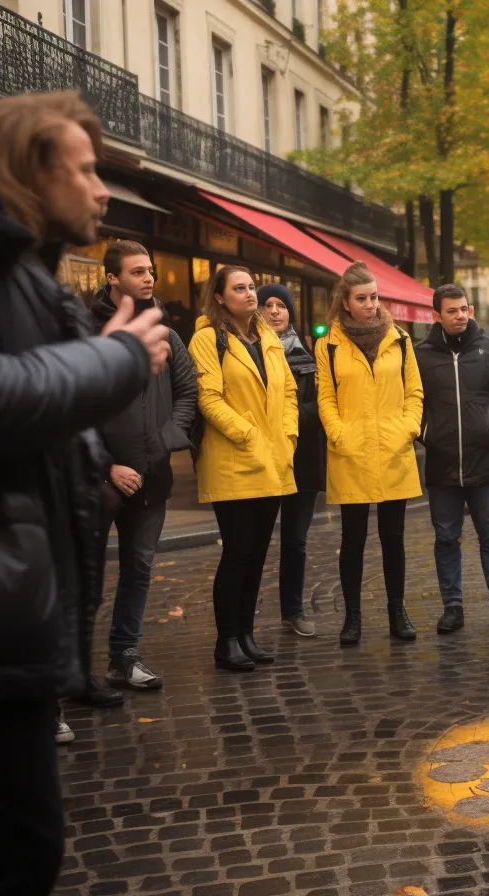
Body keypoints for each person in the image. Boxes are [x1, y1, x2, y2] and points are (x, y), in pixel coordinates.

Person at [0, 92, 169, 894]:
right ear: (31, 168)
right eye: (84, 170)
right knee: (1, 855)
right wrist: (116, 360)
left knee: (15, 852)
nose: (102, 190)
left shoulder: (9, 259)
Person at [90, 240, 198, 692]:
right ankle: (73, 672)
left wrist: (164, 441)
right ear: (112, 278)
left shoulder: (168, 336)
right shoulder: (88, 332)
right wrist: (106, 465)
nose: (149, 278)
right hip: (97, 480)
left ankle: (124, 657)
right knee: (86, 579)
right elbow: (74, 408)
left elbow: (189, 394)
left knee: (138, 568)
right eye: (137, 271)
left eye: (150, 270)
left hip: (152, 477)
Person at [191, 265, 299, 672]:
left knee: (256, 554)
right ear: (219, 296)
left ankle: (247, 634)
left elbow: (288, 389)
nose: (250, 294)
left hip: (272, 459)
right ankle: (227, 640)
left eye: (251, 286)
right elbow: (208, 397)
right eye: (240, 288)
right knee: (237, 552)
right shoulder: (207, 339)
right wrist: (249, 434)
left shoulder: (266, 335)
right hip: (234, 460)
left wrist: (288, 434)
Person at [317, 261, 424, 646]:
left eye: (374, 297)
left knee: (394, 537)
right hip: (352, 451)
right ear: (344, 302)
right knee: (353, 538)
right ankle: (353, 616)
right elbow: (326, 397)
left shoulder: (401, 339)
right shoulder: (328, 344)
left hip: (394, 448)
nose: (370, 304)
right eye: (361, 298)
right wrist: (339, 433)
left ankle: (398, 610)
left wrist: (408, 427)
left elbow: (415, 391)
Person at [416, 284, 489, 634]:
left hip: (485, 461)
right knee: (446, 538)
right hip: (441, 463)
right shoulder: (420, 356)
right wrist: (425, 432)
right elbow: (412, 402)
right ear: (437, 315)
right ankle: (453, 608)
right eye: (452, 311)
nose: (460, 315)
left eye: (464, 309)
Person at [258, 283, 325, 637]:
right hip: (263, 456)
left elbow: (324, 404)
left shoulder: (308, 356)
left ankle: (293, 610)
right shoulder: (250, 352)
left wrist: (289, 415)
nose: (274, 311)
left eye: (280, 305)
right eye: (266, 305)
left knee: (296, 539)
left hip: (302, 458)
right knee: (254, 539)